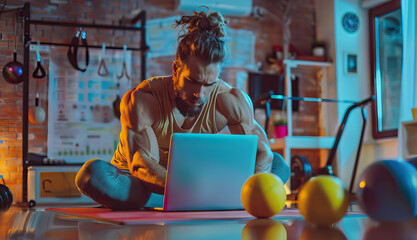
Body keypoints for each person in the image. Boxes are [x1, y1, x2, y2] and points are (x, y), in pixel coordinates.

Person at [75, 9, 290, 210]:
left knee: (279, 166)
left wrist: (255, 193)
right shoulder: (143, 99)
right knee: (93, 175)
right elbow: (141, 164)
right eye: (192, 81)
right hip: (142, 184)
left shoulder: (230, 99)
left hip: (197, 180)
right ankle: (209, 199)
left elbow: (262, 152)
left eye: (209, 85)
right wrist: (196, 190)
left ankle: (207, 198)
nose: (200, 93)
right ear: (176, 69)